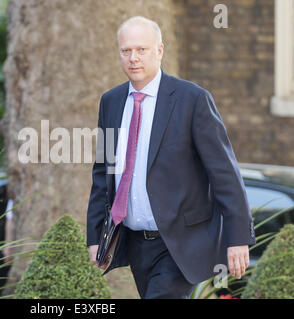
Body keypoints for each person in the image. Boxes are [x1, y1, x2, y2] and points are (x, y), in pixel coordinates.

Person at [86, 16, 256, 299]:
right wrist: (96, 236)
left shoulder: (192, 99)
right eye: (126, 51)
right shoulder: (111, 102)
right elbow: (103, 172)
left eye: (142, 50)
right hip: (136, 242)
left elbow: (224, 172)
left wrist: (238, 237)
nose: (133, 58)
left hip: (180, 242)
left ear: (160, 51)